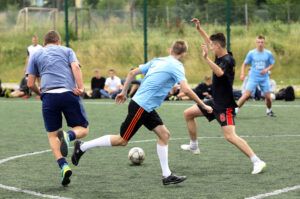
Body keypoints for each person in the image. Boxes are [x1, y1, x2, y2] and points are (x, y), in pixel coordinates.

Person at [71, 40, 213, 185]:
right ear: (184, 54)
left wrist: (123, 92)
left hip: (146, 107)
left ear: (170, 51)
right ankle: (82, 146)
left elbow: (132, 72)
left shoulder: (158, 60)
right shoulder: (177, 66)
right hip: (141, 107)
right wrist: (203, 105)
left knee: (164, 135)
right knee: (122, 140)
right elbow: (186, 90)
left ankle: (167, 175)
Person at [181, 18, 266, 175]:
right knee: (188, 113)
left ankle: (257, 161)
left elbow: (219, 73)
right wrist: (199, 29)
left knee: (230, 136)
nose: (210, 47)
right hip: (215, 102)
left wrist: (206, 58)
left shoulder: (228, 60)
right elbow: (209, 41)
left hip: (225, 106)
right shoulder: (220, 55)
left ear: (218, 46)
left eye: (212, 46)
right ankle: (194, 145)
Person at [26, 30, 89, 186]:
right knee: (83, 128)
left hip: (49, 96)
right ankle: (68, 136)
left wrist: (41, 94)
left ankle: (63, 166)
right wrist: (80, 87)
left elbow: (30, 84)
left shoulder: (36, 54)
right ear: (58, 42)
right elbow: (76, 67)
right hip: (68, 93)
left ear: (45, 43)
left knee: (52, 136)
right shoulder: (67, 50)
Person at [237, 35, 276, 117]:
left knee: (268, 97)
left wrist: (266, 69)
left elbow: (272, 63)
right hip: (253, 77)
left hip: (264, 78)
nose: (260, 44)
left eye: (262, 42)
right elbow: (244, 64)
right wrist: (242, 74)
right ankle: (234, 111)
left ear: (264, 43)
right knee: (246, 95)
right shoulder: (251, 53)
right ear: (256, 43)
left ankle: (269, 111)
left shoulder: (268, 53)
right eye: (258, 42)